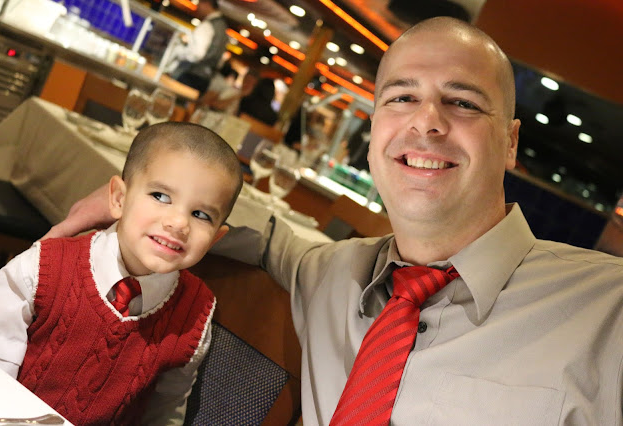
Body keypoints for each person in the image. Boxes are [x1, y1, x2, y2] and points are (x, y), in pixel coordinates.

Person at [38, 17, 623, 424]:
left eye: (463, 102)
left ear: (511, 142)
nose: (426, 122)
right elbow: (265, 234)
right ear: (374, 130)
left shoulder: (606, 311)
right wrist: (146, 208)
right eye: (401, 97)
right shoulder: (332, 273)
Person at [0, 122, 243, 424]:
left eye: (201, 214)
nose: (179, 223)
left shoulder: (194, 314)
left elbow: (167, 410)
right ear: (119, 198)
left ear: (215, 238)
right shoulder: (40, 269)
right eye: (160, 196)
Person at [168, 0, 228, 94]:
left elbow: (197, 54)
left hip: (191, 76)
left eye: (199, 3)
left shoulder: (208, 25)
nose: (197, 7)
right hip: (205, 79)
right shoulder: (223, 27)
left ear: (207, 3)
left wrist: (178, 52)